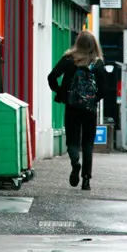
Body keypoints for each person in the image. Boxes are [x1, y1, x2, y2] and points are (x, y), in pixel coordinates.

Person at [48, 30, 107, 191]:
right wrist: (93, 100)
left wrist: (62, 93)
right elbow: (103, 90)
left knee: (72, 141)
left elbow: (51, 77)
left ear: (78, 43)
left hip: (72, 106)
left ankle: (75, 162)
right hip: (89, 110)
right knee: (87, 143)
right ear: (94, 44)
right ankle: (86, 180)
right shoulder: (98, 64)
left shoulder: (69, 59)